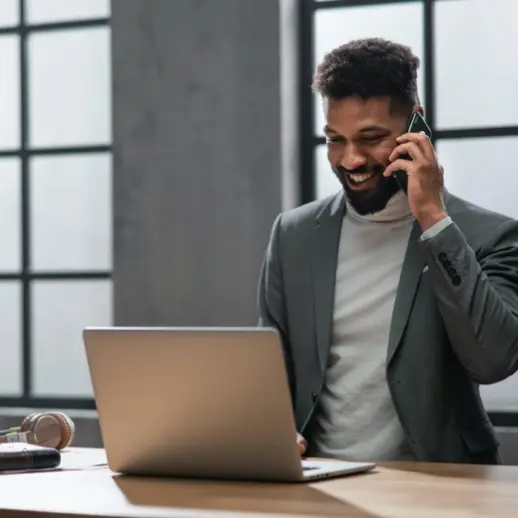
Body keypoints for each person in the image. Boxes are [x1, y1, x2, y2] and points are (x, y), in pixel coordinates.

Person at [257, 37, 518, 464]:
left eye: (371, 137)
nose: (351, 160)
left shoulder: (490, 236)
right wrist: (271, 428)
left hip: (441, 488)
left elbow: (493, 361)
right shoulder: (293, 234)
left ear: (416, 124)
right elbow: (269, 366)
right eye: (335, 139)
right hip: (319, 484)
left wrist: (434, 218)